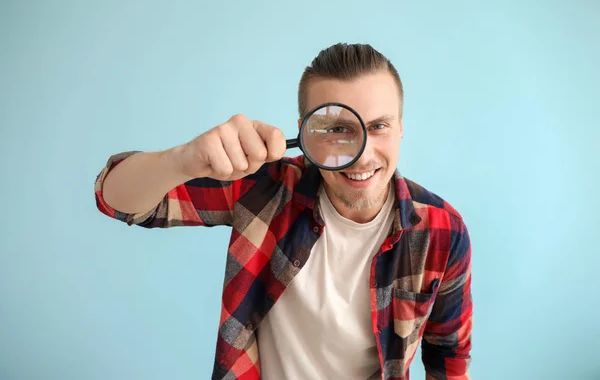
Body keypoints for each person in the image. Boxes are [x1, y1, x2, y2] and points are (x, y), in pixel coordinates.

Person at [94, 43, 473, 380]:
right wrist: (183, 160)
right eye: (337, 129)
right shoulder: (266, 187)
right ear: (306, 134)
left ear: (401, 128)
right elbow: (116, 199)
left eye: (378, 126)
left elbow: (449, 360)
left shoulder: (443, 230)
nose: (363, 153)